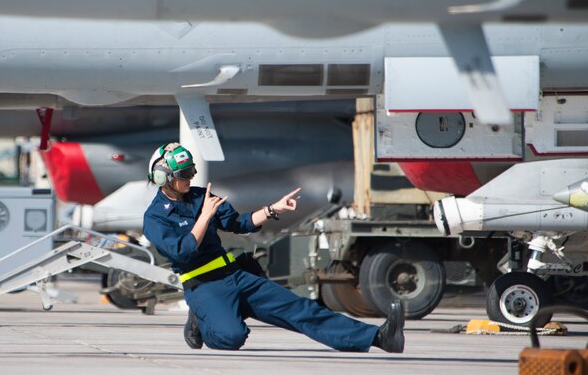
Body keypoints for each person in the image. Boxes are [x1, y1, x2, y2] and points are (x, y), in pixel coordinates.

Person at [142, 142, 405, 352]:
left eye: (191, 172)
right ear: (163, 177)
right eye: (184, 174)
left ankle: (380, 338)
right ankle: (202, 321)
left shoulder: (200, 196)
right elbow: (183, 251)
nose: (191, 178)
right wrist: (203, 218)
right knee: (232, 337)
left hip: (235, 275)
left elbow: (239, 223)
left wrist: (271, 209)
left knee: (301, 309)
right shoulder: (154, 218)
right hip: (203, 286)